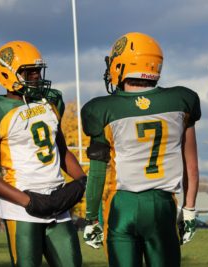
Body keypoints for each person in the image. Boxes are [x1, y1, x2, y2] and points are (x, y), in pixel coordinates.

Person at [81, 32, 201, 267]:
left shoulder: (103, 109)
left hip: (122, 205)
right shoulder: (180, 101)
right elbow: (192, 166)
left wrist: (91, 217)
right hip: (161, 204)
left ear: (121, 65)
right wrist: (189, 209)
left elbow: (97, 173)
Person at [0, 40, 87, 267]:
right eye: (28, 71)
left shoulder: (50, 101)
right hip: (21, 208)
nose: (36, 76)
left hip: (58, 202)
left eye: (37, 70)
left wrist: (82, 181)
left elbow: (61, 150)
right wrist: (29, 201)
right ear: (7, 73)